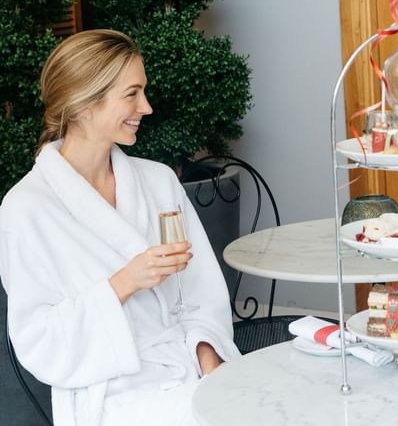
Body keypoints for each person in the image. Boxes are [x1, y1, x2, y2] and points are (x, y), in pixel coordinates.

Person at [0, 30, 240, 426]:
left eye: (143, 92)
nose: (145, 107)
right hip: (112, 394)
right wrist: (124, 282)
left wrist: (210, 362)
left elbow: (201, 293)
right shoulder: (27, 208)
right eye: (131, 94)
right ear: (83, 105)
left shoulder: (158, 181)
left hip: (192, 372)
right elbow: (39, 341)